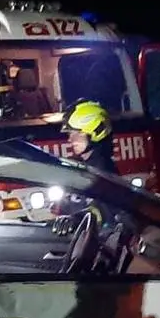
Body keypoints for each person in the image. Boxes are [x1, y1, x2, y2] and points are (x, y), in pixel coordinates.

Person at [52, 99, 119, 235]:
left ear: (96, 131)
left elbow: (107, 213)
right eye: (70, 134)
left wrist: (77, 218)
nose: (70, 139)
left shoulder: (104, 171)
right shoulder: (81, 167)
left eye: (77, 133)